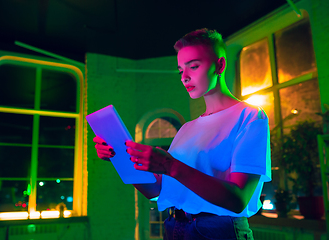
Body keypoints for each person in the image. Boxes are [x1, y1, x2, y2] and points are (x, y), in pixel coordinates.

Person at [93, 28, 271, 240]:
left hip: (218, 231)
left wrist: (170, 165)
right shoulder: (187, 129)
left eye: (193, 66)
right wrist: (119, 157)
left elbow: (238, 199)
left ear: (220, 65)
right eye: (180, 71)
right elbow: (156, 190)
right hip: (175, 227)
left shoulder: (250, 117)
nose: (184, 77)